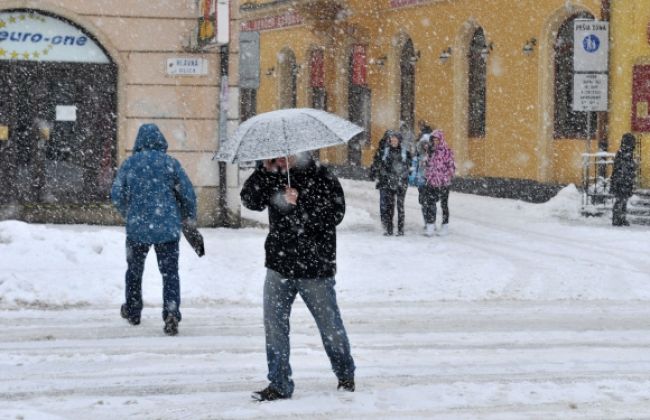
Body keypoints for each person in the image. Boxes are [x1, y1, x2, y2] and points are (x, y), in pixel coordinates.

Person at [240, 152, 356, 401]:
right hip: (279, 264)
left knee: (329, 326)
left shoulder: (321, 176)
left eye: (283, 156)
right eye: (274, 157)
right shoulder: (272, 175)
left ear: (297, 153)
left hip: (315, 267)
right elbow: (249, 200)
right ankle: (279, 383)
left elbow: (336, 213)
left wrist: (300, 202)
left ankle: (345, 374)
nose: (279, 161)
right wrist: (264, 171)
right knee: (274, 328)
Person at [111, 123, 197, 336]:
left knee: (134, 271)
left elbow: (116, 194)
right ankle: (171, 312)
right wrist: (188, 217)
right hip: (167, 228)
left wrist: (128, 212)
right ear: (161, 140)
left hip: (137, 228)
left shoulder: (130, 164)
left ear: (138, 142)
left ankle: (132, 310)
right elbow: (188, 193)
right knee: (170, 273)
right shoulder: (170, 164)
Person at [370, 131, 411, 236]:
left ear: (399, 141)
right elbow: (382, 166)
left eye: (395, 140)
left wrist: (401, 176)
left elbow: (408, 167)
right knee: (390, 206)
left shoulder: (405, 152)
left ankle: (400, 230)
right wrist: (386, 175)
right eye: (392, 140)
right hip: (389, 182)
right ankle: (389, 229)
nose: (393, 141)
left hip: (401, 183)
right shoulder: (386, 152)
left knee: (400, 207)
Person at [424, 129, 455, 236]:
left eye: (437, 139)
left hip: (443, 183)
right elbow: (427, 165)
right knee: (431, 204)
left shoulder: (447, 151)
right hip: (431, 182)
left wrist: (445, 177)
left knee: (444, 204)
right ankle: (430, 226)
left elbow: (451, 166)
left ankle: (445, 226)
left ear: (441, 139)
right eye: (433, 139)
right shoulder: (429, 150)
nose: (435, 141)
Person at [610, 133, 637, 226]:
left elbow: (628, 167)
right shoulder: (622, 153)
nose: (634, 144)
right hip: (620, 181)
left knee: (624, 201)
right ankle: (616, 219)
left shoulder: (628, 153)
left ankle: (622, 218)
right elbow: (620, 168)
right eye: (633, 142)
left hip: (626, 181)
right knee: (619, 201)